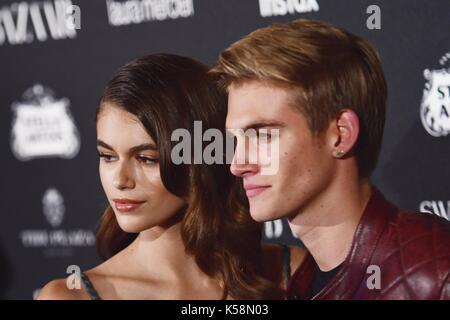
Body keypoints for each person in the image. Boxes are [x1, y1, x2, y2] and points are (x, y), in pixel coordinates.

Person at [210, 19, 450, 300]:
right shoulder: (297, 284)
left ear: (340, 134)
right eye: (236, 140)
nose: (238, 164)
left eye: (263, 135)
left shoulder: (436, 274)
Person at [37, 53, 284, 300]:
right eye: (108, 156)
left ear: (201, 158)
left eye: (147, 159)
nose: (120, 181)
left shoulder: (286, 271)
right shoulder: (69, 296)